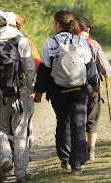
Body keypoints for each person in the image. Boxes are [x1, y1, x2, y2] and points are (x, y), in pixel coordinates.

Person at [34, 10, 99, 174]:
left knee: (63, 122)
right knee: (79, 124)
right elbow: (89, 65)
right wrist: (95, 83)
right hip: (79, 90)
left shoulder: (49, 42)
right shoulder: (80, 41)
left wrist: (39, 92)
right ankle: (76, 163)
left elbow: (44, 70)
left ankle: (65, 158)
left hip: (58, 91)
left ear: (57, 24)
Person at [0, 10, 36, 183]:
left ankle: (5, 159)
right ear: (14, 24)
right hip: (19, 94)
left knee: (0, 130)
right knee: (20, 132)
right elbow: (30, 68)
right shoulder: (22, 41)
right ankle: (21, 173)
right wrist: (29, 88)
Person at [76, 18, 111, 162]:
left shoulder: (70, 43)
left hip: (73, 86)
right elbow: (104, 67)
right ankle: (91, 151)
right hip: (92, 86)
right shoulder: (93, 44)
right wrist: (107, 73)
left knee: (77, 118)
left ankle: (78, 149)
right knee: (93, 118)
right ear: (88, 30)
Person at [14, 13, 41, 148]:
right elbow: (36, 64)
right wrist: (32, 85)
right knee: (25, 119)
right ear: (18, 26)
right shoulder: (25, 41)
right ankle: (24, 149)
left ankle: (8, 152)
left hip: (0, 90)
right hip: (24, 88)